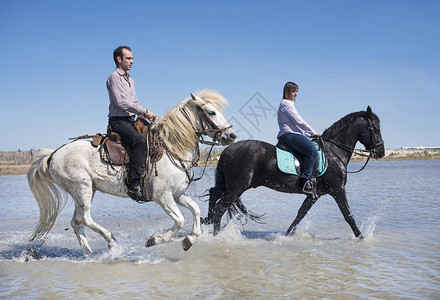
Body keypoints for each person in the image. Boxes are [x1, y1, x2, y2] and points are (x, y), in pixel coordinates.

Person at [107, 46, 157, 201]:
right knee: (139, 142)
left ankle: (149, 179)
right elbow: (122, 103)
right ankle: (133, 185)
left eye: (132, 58)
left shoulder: (131, 80)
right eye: (129, 58)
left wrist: (144, 116)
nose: (132, 61)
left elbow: (133, 102)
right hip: (118, 121)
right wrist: (145, 111)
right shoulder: (114, 78)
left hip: (130, 120)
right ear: (119, 59)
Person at [277, 82, 320, 194]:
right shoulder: (287, 104)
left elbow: (296, 125)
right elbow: (299, 121)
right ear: (287, 92)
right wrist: (312, 131)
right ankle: (304, 181)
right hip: (289, 135)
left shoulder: (286, 104)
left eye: (296, 91)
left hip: (291, 133)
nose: (295, 94)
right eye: (293, 91)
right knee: (312, 151)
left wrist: (308, 134)